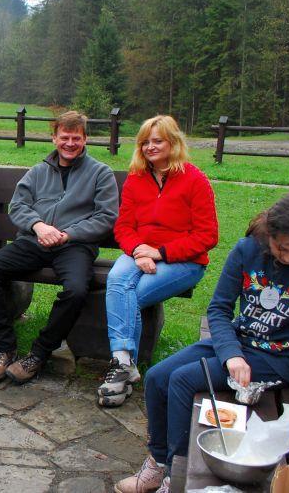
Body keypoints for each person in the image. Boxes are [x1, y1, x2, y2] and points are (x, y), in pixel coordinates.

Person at [115, 193, 289, 493]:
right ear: (269, 233)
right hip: (239, 342)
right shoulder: (247, 250)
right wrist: (231, 354)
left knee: (183, 380)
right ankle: (158, 459)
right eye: (282, 249)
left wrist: (238, 358)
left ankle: (175, 474)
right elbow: (219, 309)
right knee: (157, 377)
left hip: (277, 359)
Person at [0, 111, 118, 384]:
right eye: (65, 137)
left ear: (85, 139)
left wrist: (67, 234)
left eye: (77, 138)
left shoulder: (100, 173)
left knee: (75, 290)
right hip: (34, 241)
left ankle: (39, 353)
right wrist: (39, 226)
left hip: (75, 246)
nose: (70, 143)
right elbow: (19, 206)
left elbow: (106, 217)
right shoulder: (38, 172)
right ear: (54, 138)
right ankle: (5, 346)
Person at [98, 116, 219, 407]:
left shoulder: (194, 179)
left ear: (173, 143)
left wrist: (159, 253)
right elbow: (123, 227)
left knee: (132, 296)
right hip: (139, 252)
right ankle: (124, 365)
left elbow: (207, 236)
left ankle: (121, 374)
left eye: (157, 141)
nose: (150, 147)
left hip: (184, 261)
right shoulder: (136, 179)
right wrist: (139, 249)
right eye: (145, 142)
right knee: (117, 279)